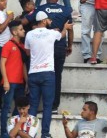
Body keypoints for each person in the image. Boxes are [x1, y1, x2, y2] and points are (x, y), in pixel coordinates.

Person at [25, 10, 71, 138]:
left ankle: (30, 133)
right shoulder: (51, 33)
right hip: (47, 73)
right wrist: (65, 28)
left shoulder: (29, 34)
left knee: (33, 105)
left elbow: (27, 52)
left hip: (33, 73)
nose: (49, 21)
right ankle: (45, 134)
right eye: (48, 20)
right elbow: (61, 35)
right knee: (47, 105)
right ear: (44, 21)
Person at [37, 0, 73, 114]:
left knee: (43, 76)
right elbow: (70, 29)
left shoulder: (40, 9)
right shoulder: (66, 10)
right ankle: (53, 106)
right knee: (57, 77)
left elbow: (35, 27)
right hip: (59, 47)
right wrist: (70, 45)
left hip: (44, 48)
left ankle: (41, 104)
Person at [0, 20, 27, 138]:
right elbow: (2, 63)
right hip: (10, 81)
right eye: (21, 29)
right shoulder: (8, 45)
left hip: (20, 82)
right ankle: (4, 133)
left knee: (18, 108)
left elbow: (23, 65)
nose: (24, 31)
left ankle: (13, 132)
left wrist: (27, 81)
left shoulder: (21, 46)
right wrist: (5, 80)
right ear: (15, 32)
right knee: (6, 107)